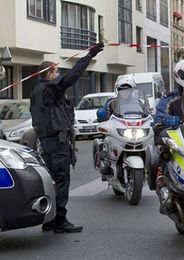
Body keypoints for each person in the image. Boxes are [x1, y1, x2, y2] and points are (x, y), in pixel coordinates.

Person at [30, 42, 104, 233]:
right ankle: (60, 220)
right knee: (61, 181)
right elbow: (72, 76)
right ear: (48, 74)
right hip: (56, 143)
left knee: (51, 181)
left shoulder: (36, 93)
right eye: (55, 73)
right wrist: (89, 56)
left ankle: (49, 219)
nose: (57, 76)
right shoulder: (49, 89)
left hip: (45, 143)